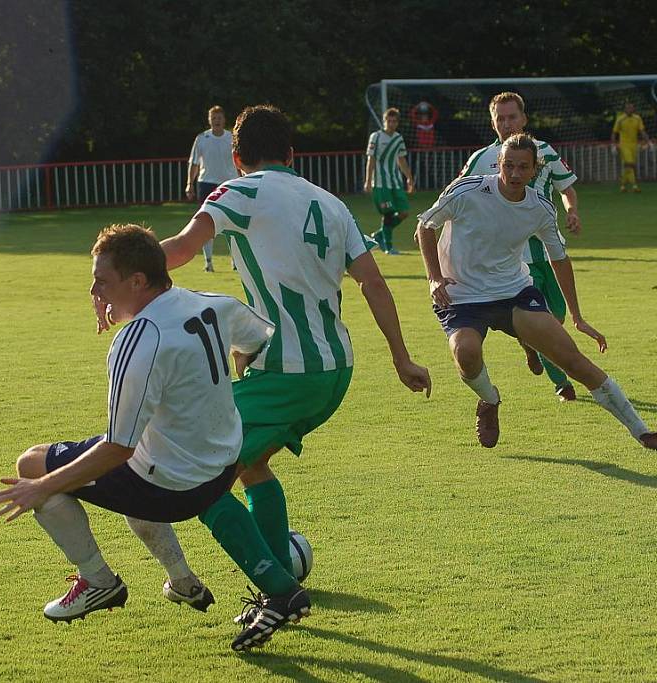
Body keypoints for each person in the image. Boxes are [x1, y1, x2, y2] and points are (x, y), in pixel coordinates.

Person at [96, 105, 431, 637]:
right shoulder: (331, 203)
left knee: (198, 479)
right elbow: (373, 282)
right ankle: (277, 571)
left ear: (235, 156)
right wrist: (401, 356)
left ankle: (279, 588)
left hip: (286, 370)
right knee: (249, 466)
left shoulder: (239, 191)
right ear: (293, 154)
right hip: (334, 368)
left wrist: (116, 282)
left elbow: (180, 249)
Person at [0, 224, 310, 652]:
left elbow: (119, 447)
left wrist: (41, 487)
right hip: (224, 464)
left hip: (169, 487)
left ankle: (99, 582)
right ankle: (194, 581)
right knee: (135, 457)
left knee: (33, 464)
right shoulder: (209, 303)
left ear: (137, 281)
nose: (94, 289)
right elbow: (256, 337)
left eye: (102, 280)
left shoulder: (138, 340)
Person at [416, 133, 657, 452]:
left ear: (534, 171)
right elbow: (425, 228)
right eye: (508, 165)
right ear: (498, 163)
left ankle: (644, 433)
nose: (513, 174)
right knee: (465, 353)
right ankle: (490, 399)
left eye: (522, 167)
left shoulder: (539, 208)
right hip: (462, 296)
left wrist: (577, 317)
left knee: (574, 361)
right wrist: (434, 278)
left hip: (513, 293)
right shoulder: (467, 190)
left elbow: (559, 258)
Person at [459, 91, 581, 402]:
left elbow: (566, 187)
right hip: (511, 259)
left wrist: (571, 210)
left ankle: (530, 345)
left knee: (558, 316)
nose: (507, 123)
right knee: (545, 321)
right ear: (492, 122)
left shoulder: (545, 152)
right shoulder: (482, 159)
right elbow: (456, 193)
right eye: (500, 118)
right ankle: (562, 384)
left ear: (524, 119)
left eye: (512, 117)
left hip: (548, 251)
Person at [185, 105, 239, 271]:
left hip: (229, 183)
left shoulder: (232, 138)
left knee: (232, 222)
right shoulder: (202, 138)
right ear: (209, 120)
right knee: (206, 223)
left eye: (219, 118)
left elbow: (240, 160)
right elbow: (194, 163)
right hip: (206, 183)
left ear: (224, 120)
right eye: (213, 118)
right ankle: (208, 262)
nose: (217, 121)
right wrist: (189, 183)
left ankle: (236, 261)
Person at [363, 107, 415, 255]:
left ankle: (380, 234)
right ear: (384, 121)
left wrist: (409, 178)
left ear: (397, 123)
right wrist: (368, 181)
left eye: (394, 121)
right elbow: (371, 159)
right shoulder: (376, 137)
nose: (391, 123)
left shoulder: (398, 138)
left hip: (395, 182)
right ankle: (388, 246)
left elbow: (401, 159)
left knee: (404, 212)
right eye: (388, 121)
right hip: (380, 183)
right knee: (388, 213)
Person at [611, 101, 652, 193]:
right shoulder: (620, 119)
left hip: (634, 145)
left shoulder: (637, 118)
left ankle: (622, 185)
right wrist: (613, 145)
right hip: (624, 145)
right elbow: (614, 133)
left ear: (634, 109)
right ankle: (635, 186)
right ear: (625, 109)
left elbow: (642, 131)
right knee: (630, 164)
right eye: (628, 108)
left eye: (631, 107)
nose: (629, 109)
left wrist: (648, 141)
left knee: (629, 166)